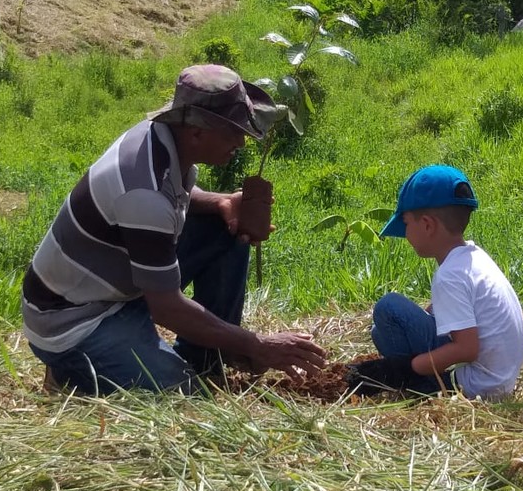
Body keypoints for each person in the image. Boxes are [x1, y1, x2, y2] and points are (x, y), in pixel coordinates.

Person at [22, 64, 327, 396]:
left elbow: (174, 197)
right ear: (197, 133)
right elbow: (166, 307)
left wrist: (221, 202)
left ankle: (205, 357)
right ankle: (70, 372)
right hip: (75, 321)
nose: (240, 142)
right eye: (233, 132)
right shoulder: (144, 193)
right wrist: (258, 345)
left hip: (119, 289)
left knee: (223, 229)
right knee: (184, 396)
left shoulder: (159, 139)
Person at [346, 165, 523, 401]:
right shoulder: (473, 258)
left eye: (407, 224)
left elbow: (467, 349)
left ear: (428, 225)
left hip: (476, 387)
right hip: (500, 381)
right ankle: (418, 376)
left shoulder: (449, 275)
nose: (406, 234)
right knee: (380, 333)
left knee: (388, 307)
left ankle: (419, 384)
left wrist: (406, 367)